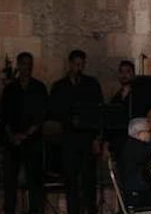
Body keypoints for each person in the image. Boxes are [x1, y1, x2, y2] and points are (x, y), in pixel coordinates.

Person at [49, 50, 103, 214]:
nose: (79, 68)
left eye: (81, 64)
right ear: (70, 64)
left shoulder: (91, 84)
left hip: (87, 137)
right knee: (71, 178)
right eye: (76, 64)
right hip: (69, 138)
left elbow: (98, 110)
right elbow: (54, 111)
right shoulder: (59, 86)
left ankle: (90, 209)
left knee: (89, 178)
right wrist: (68, 120)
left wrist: (96, 138)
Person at [1, 52, 48, 214]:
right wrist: (13, 136)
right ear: (19, 66)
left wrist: (26, 134)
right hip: (12, 141)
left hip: (33, 141)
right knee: (10, 180)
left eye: (30, 64)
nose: (28, 67)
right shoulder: (10, 89)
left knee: (34, 179)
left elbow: (41, 115)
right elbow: (4, 116)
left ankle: (35, 210)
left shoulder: (39, 88)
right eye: (24, 63)